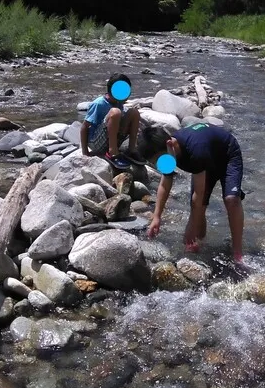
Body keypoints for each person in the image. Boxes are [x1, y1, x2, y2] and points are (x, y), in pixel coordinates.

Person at [142, 122, 246, 262]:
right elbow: (165, 184)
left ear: (169, 144)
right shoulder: (169, 152)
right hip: (206, 159)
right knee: (199, 208)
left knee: (231, 199)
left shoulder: (195, 152)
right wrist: (156, 217)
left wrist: (191, 226)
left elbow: (199, 193)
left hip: (227, 155)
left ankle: (237, 252)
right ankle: (201, 242)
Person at [80, 73, 141, 168]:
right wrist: (85, 152)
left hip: (111, 138)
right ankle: (112, 153)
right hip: (96, 143)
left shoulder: (118, 102)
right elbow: (84, 127)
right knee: (115, 112)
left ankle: (131, 149)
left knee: (134, 112)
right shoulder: (99, 103)